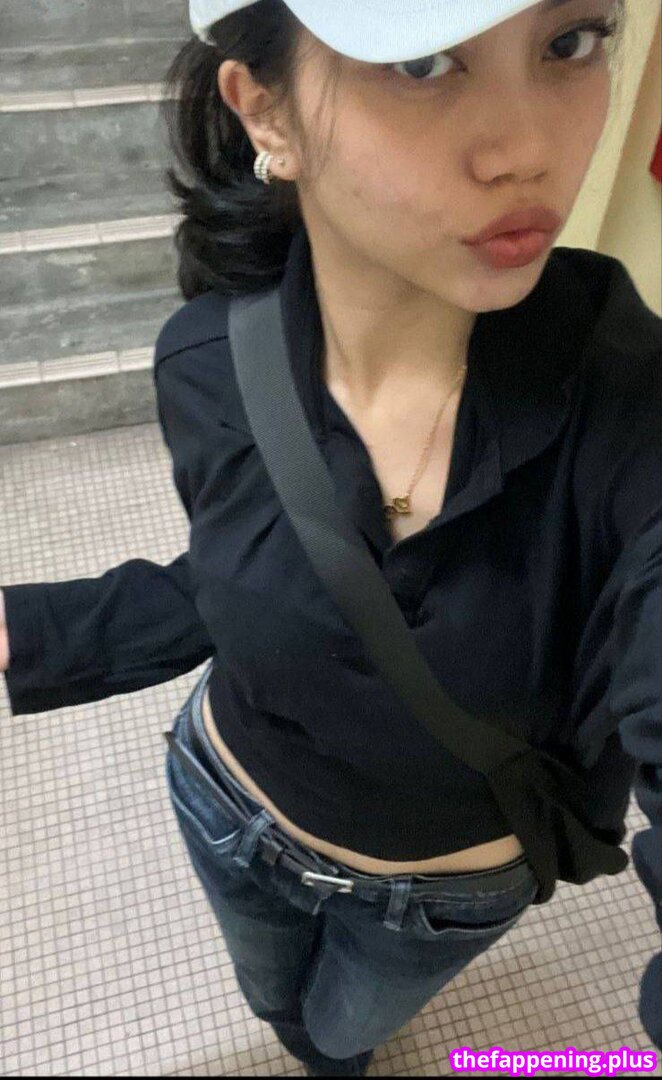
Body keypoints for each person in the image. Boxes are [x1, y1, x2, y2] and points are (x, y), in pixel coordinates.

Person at [2, 0, 661, 1073]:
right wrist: (28, 631)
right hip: (222, 800)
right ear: (266, 111)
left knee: (341, 1038)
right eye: (422, 62)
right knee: (273, 1002)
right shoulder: (211, 359)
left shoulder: (633, 418)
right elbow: (243, 577)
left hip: (433, 898)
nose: (528, 151)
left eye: (569, 42)